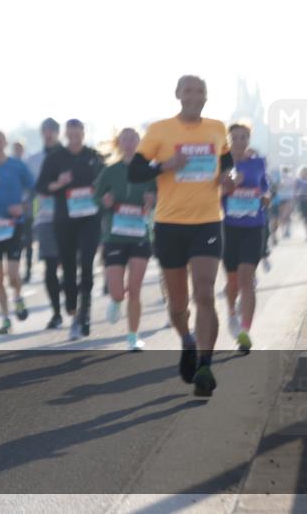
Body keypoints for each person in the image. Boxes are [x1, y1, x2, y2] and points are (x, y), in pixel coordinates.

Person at [129, 75, 234, 397]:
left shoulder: (217, 128)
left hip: (207, 222)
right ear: (178, 95)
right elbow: (135, 172)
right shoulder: (159, 131)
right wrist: (166, 165)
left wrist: (228, 177)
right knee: (178, 303)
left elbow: (226, 161)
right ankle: (187, 341)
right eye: (188, 90)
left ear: (206, 96)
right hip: (170, 224)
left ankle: (205, 364)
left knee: (204, 293)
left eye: (200, 90)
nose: (194, 95)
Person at [35, 119, 104, 340]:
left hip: (90, 220)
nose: (74, 137)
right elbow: (42, 187)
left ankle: (84, 313)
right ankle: (72, 305)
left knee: (86, 265)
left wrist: (101, 191)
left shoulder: (94, 156)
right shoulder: (56, 158)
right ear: (66, 135)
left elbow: (106, 184)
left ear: (83, 133)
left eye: (78, 133)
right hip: (65, 220)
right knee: (68, 267)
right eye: (71, 134)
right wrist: (59, 183)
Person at [95, 128, 155, 351]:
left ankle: (133, 336)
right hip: (114, 235)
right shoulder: (110, 171)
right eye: (125, 139)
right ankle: (116, 300)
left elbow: (161, 196)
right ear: (118, 143)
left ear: (140, 143)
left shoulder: (149, 171)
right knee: (118, 291)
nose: (129, 142)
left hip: (140, 235)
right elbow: (95, 196)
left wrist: (152, 201)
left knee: (135, 289)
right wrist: (105, 201)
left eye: (133, 138)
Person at [221, 124, 270, 354]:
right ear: (229, 140)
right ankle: (231, 311)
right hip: (230, 228)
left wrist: (265, 198)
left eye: (243, 137)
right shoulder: (222, 164)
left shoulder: (258, 162)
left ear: (249, 138)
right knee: (233, 283)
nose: (239, 141)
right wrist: (230, 185)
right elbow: (214, 192)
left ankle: (245, 332)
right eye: (235, 138)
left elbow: (265, 189)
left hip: (254, 226)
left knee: (246, 279)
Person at [0, 131, 34, 334]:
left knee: (12, 274)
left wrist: (22, 205)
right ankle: (5, 318)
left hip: (14, 224)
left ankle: (18, 296)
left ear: (5, 143)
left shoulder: (17, 165)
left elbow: (33, 188)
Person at [25, 118, 65, 329]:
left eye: (52, 130)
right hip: (45, 218)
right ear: (42, 133)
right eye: (45, 131)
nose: (49, 134)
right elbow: (29, 189)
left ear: (58, 132)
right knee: (49, 267)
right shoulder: (33, 159)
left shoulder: (68, 155)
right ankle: (56, 312)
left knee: (68, 265)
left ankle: (70, 290)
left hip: (69, 218)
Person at [12, 140, 36, 282]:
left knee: (28, 242)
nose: (17, 151)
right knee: (17, 244)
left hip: (26, 212)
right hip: (12, 214)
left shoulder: (26, 166)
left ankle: (28, 270)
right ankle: (17, 271)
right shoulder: (10, 166)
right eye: (15, 149)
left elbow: (34, 187)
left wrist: (27, 202)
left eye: (19, 148)